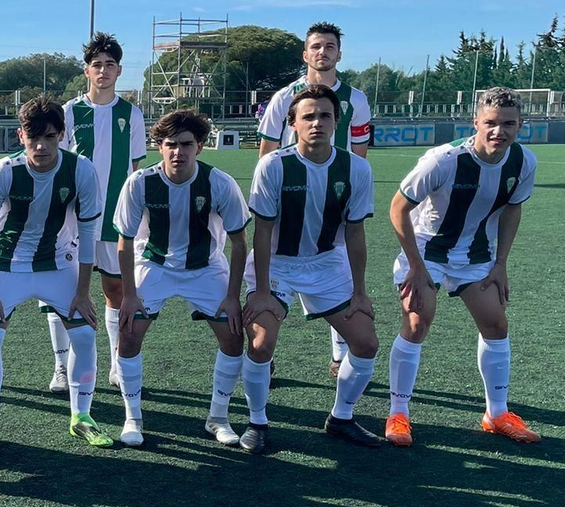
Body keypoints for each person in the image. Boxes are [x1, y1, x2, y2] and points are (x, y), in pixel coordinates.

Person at [385, 87, 541, 446]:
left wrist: (501, 263)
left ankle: (496, 414)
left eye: (508, 124)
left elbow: (513, 208)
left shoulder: (524, 162)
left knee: (496, 323)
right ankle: (398, 414)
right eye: (490, 123)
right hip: (429, 248)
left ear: (520, 126)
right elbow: (398, 207)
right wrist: (415, 265)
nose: (498, 131)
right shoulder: (444, 160)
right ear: (475, 123)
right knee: (416, 320)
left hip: (475, 254)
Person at [241, 84, 380, 453]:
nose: (317, 122)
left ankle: (341, 418)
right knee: (260, 343)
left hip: (326, 263)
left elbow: (355, 232)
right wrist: (262, 291)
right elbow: (263, 231)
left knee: (366, 343)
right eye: (308, 116)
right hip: (278, 264)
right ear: (293, 124)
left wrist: (361, 291)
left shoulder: (356, 168)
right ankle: (257, 421)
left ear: (337, 122)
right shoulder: (273, 165)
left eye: (325, 116)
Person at [0, 95, 113, 453]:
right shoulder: (4, 171)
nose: (41, 145)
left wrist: (83, 291)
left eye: (50, 137)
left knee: (83, 337)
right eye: (33, 136)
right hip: (8, 264)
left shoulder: (80, 169)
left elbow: (88, 233)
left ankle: (81, 417)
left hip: (58, 263)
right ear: (20, 135)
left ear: (62, 136)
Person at [112, 109, 251, 448]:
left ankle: (218, 417)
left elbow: (239, 243)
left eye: (186, 144)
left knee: (233, 336)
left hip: (205, 267)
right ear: (158, 146)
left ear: (200, 147)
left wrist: (233, 297)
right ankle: (133, 417)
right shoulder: (140, 182)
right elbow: (124, 243)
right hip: (155, 263)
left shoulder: (219, 182)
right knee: (128, 333)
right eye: (171, 144)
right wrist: (129, 295)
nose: (178, 152)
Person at [257, 22, 372, 379]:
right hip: (290, 194)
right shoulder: (283, 97)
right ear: (306, 54)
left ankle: (339, 355)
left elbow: (359, 152)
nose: (323, 53)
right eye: (317, 47)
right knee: (282, 262)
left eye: (330, 47)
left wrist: (346, 193)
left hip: (335, 197)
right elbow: (267, 151)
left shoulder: (357, 99)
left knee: (334, 266)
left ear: (340, 53)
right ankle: (265, 349)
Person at [46, 32, 147, 395]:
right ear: (86, 71)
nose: (103, 71)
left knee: (116, 290)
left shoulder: (131, 114)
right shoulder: (71, 112)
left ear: (119, 71)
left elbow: (136, 169)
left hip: (114, 216)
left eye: (109, 65)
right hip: (71, 216)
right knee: (62, 289)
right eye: (97, 65)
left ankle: (117, 363)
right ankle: (61, 365)